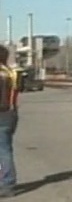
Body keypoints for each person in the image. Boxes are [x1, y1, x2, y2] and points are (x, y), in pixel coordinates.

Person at [0, 46, 18, 198]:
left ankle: (7, 184)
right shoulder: (11, 73)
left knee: (4, 151)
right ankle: (8, 183)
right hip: (10, 114)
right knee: (5, 149)